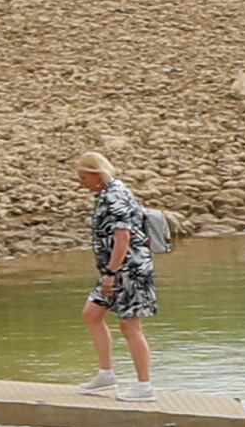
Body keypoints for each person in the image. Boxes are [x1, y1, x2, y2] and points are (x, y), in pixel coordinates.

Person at [73, 150, 172, 401]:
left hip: (129, 270)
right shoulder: (105, 193)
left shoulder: (114, 195)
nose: (82, 184)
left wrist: (111, 273)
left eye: (84, 178)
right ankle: (106, 375)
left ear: (97, 175)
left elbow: (123, 237)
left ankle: (144, 386)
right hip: (114, 270)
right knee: (92, 314)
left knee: (130, 326)